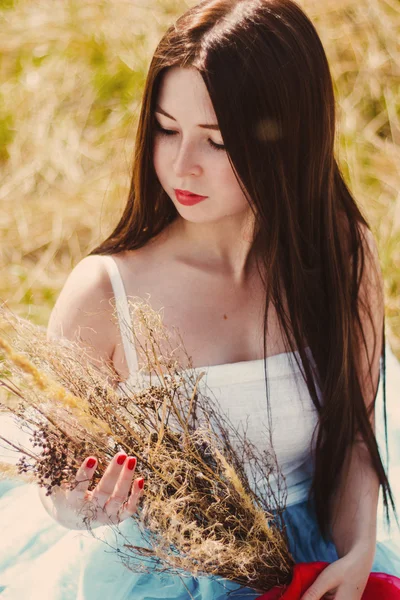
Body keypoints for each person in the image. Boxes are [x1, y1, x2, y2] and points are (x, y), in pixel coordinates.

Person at [1, 0, 400, 598]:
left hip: (318, 556)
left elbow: (352, 438)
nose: (182, 165)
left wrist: (357, 553)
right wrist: (86, 504)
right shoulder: (106, 291)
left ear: (288, 138)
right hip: (160, 576)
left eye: (217, 141)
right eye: (166, 130)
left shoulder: (341, 256)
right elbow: (60, 487)